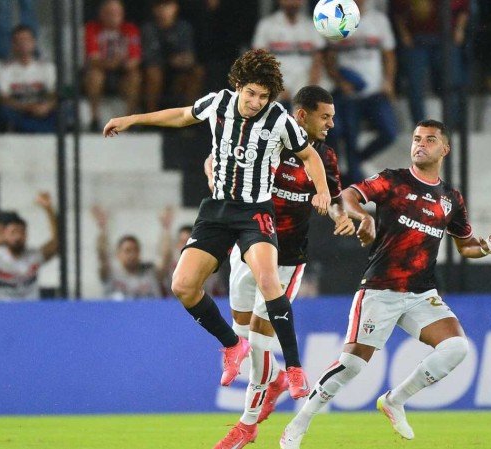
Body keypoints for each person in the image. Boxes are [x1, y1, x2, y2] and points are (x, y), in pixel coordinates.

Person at [102, 49, 332, 396]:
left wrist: (323, 190)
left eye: (263, 96)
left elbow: (310, 155)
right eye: (251, 93)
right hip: (217, 211)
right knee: (182, 285)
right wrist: (132, 119)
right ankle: (232, 344)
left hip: (255, 212)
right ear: (238, 86)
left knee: (269, 281)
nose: (255, 102)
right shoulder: (218, 103)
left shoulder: (279, 120)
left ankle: (295, 368)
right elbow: (182, 115)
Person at [280, 120, 491, 448]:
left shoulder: (450, 199)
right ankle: (297, 425)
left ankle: (395, 400)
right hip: (380, 288)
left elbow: (465, 246)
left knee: (457, 347)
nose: (420, 144)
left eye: (430, 139)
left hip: (420, 293)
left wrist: (484, 248)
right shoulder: (392, 180)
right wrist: (364, 217)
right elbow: (348, 196)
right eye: (416, 138)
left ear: (445, 149)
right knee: (351, 365)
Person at [210, 85, 355, 449]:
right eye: (325, 117)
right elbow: (215, 159)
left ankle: (247, 425)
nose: (331, 124)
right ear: (301, 115)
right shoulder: (264, 136)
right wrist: (214, 176)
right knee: (241, 339)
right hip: (246, 248)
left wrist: (342, 216)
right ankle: (274, 378)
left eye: (333, 117)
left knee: (260, 340)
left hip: (286, 260)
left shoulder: (324, 156)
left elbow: (335, 198)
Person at [326, 0, 398, 183]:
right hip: (350, 94)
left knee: (389, 132)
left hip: (375, 91)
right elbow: (329, 58)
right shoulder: (337, 19)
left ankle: (357, 161)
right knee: (350, 139)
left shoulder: (378, 20)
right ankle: (352, 179)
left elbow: (389, 54)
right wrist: (340, 82)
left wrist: (388, 81)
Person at [391, 0, 469, 126]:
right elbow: (398, 11)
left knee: (451, 84)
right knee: (415, 86)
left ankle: (450, 126)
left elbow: (463, 8)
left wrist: (460, 29)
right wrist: (404, 33)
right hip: (416, 39)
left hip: (446, 38)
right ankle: (421, 127)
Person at [0, 192, 59, 301]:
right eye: (13, 232)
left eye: (22, 232)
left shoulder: (33, 256)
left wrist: (49, 210)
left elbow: (57, 243)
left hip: (29, 309)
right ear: (4, 234)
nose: (18, 237)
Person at [251, 0, 325, 107]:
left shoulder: (311, 25)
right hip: (275, 82)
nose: (292, 3)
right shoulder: (267, 25)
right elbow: (259, 59)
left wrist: (310, 87)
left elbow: (318, 60)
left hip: (304, 80)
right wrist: (276, 87)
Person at [91, 205, 173, 299]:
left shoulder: (151, 272)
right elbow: (102, 255)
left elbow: (166, 257)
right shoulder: (110, 274)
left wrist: (166, 229)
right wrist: (102, 230)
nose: (132, 254)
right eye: (127, 251)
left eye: (135, 250)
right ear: (118, 254)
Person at [84, 0, 142, 131]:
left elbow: (134, 60)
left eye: (117, 12)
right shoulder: (92, 28)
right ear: (101, 14)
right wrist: (113, 62)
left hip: (122, 74)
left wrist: (119, 63)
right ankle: (95, 119)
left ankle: (130, 120)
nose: (114, 16)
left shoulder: (130, 29)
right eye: (109, 13)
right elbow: (93, 59)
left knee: (135, 76)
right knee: (94, 75)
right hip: (100, 71)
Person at [141, 0, 203, 112]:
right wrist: (169, 60)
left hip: (179, 71)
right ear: (154, 9)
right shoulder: (148, 29)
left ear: (175, 7)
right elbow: (149, 57)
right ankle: (151, 115)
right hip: (157, 69)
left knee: (197, 72)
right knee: (153, 73)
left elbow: (189, 54)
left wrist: (186, 60)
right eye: (160, 6)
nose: (164, 10)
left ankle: (190, 116)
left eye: (168, 6)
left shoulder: (184, 28)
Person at [0, 25, 57, 133]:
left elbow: (54, 93)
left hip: (43, 111)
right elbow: (4, 99)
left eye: (26, 40)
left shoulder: (47, 67)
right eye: (19, 41)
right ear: (13, 45)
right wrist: (28, 107)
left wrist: (47, 106)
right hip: (20, 112)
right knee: (4, 111)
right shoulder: (4, 70)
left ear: (34, 43)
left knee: (64, 108)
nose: (23, 44)